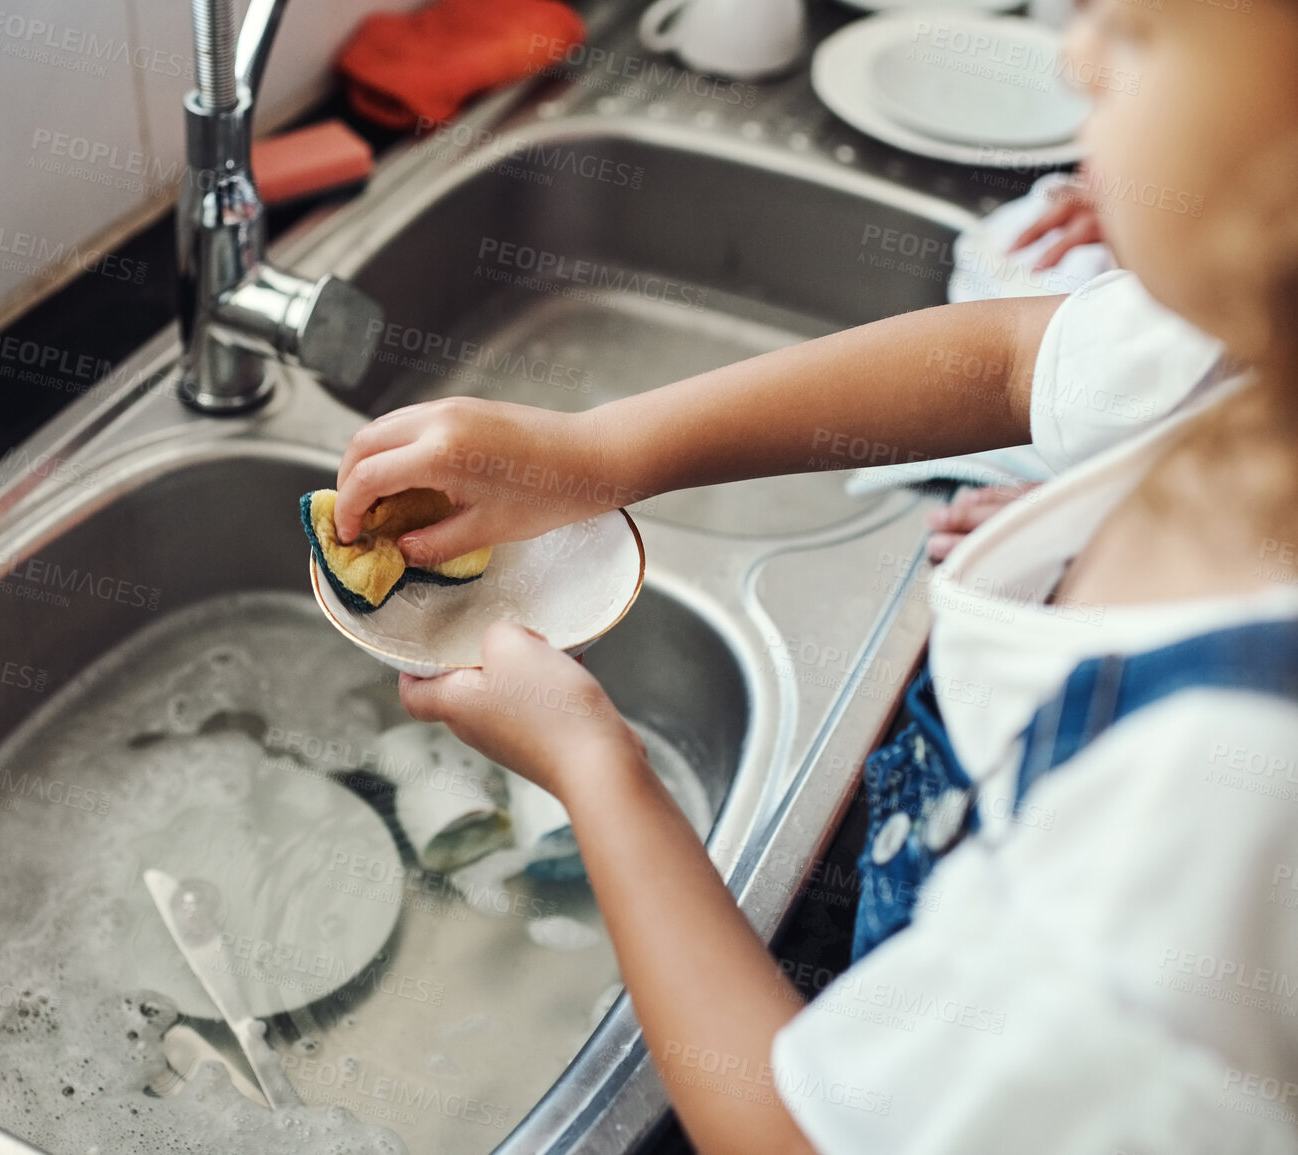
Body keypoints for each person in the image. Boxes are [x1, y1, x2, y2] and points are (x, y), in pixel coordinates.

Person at [328, 0, 1298, 1148]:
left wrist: (594, 768)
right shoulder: (1246, 347)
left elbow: (792, 1134)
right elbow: (1004, 358)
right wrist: (594, 453)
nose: (1075, 58)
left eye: (1134, 36)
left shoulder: (1221, 794)